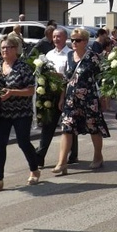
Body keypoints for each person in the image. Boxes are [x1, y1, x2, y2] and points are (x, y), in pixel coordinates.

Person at [0, 33, 40, 193]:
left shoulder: (23, 67)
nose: (4, 50)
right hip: (2, 113)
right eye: (2, 48)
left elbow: (30, 91)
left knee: (23, 142)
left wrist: (12, 92)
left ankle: (34, 169)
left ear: (15, 49)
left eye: (8, 47)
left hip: (21, 112)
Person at [52, 28, 109, 174]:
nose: (74, 43)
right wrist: (62, 97)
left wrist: (104, 96)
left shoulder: (93, 57)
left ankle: (98, 156)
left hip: (89, 99)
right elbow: (66, 78)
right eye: (72, 40)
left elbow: (102, 78)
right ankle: (62, 162)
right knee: (67, 128)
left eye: (77, 40)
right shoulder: (70, 56)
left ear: (85, 41)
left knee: (93, 128)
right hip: (71, 99)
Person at [35, 27, 79, 167]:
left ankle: (73, 153)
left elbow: (71, 76)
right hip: (50, 94)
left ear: (65, 38)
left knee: (69, 125)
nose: (56, 39)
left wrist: (58, 76)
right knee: (48, 125)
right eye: (54, 37)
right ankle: (40, 155)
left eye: (59, 36)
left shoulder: (71, 54)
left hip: (66, 93)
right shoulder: (48, 54)